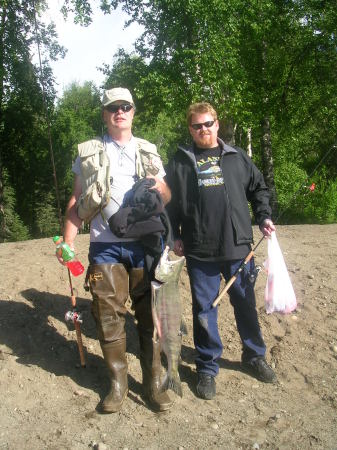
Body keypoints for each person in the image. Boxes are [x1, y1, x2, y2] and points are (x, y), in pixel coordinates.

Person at [59, 87, 173, 413]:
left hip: (145, 245)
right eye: (112, 108)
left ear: (133, 112)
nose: (119, 112)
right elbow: (76, 200)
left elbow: (166, 195)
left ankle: (152, 384)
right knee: (109, 319)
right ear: (105, 114)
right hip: (104, 246)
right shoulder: (88, 153)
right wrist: (68, 241)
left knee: (149, 318)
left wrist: (158, 190)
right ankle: (118, 383)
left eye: (125, 107)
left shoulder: (149, 151)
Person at [165, 102, 277, 401]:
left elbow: (259, 188)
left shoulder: (237, 157)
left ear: (217, 124)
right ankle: (207, 367)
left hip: (238, 247)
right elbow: (169, 203)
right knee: (204, 311)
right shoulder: (179, 161)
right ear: (190, 129)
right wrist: (172, 234)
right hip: (200, 251)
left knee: (245, 305)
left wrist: (264, 216)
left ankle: (254, 356)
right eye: (196, 126)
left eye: (208, 123)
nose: (203, 129)